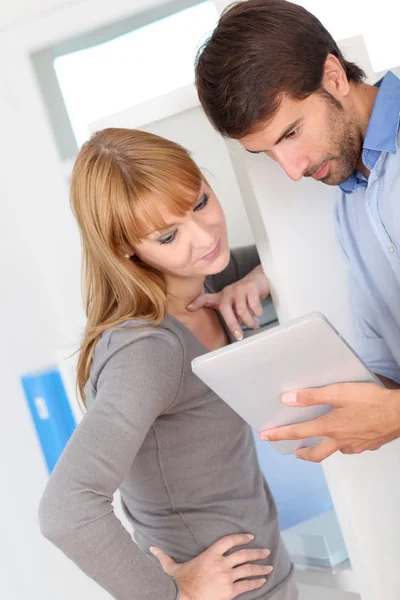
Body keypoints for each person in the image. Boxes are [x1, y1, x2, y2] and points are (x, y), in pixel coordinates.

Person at [38, 128, 298, 600]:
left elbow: (297, 251)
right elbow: (65, 508)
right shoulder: (147, 351)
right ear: (124, 249)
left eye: (199, 202)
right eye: (168, 236)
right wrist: (171, 596)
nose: (204, 238)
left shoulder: (206, 277)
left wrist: (260, 279)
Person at [194, 0, 400, 462]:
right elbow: (388, 370)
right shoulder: (353, 207)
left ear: (333, 76)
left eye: (290, 134)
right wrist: (321, 410)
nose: (291, 170)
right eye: (265, 151)